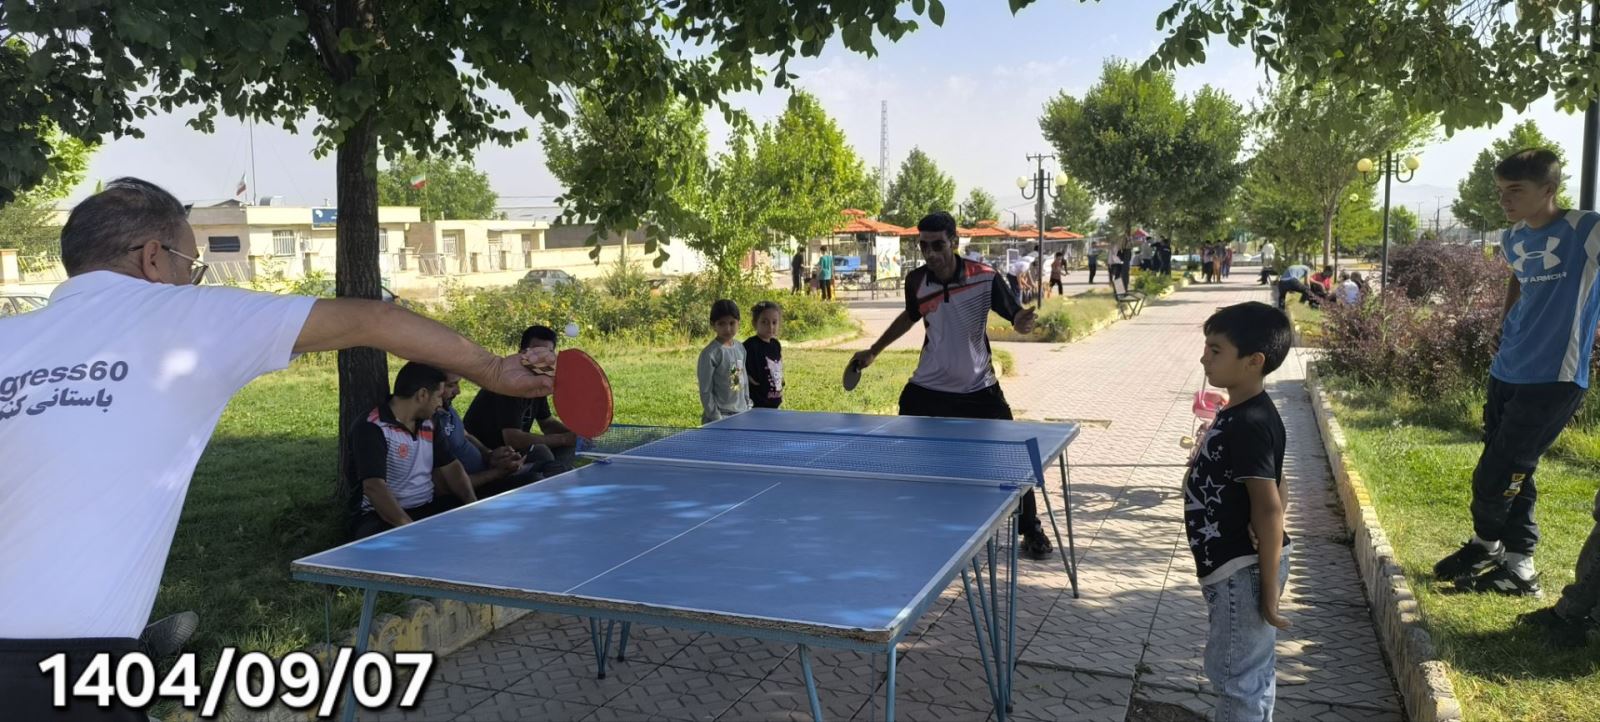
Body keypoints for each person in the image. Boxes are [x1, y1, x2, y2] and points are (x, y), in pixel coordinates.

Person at [0, 177, 554, 721]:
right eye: (191, 265)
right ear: (152, 258)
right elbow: (374, 319)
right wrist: (491, 369)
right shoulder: (184, 316)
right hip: (73, 673)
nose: (192, 281)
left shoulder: (10, 339)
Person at [1434, 150, 1600, 629]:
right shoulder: (1512, 237)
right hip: (1507, 370)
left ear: (1548, 190)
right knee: (1515, 470)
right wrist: (1505, 322)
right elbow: (1518, 276)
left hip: (1555, 377)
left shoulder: (1585, 229)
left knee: (1496, 477)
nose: (1504, 201)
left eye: (1515, 191)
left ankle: (1490, 546)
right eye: (1500, 191)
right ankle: (1515, 564)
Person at [848, 211, 1055, 559]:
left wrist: (1022, 321)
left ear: (954, 242)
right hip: (928, 389)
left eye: (938, 245)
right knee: (915, 459)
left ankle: (1030, 528)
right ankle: (921, 519)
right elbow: (909, 316)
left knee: (1013, 455)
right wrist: (873, 350)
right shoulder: (917, 281)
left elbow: (1015, 313)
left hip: (978, 389)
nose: (930, 253)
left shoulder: (984, 277)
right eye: (924, 246)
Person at [1185, 301, 1294, 722]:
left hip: (1243, 572)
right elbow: (1280, 482)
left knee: (1236, 677)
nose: (1204, 358)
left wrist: (1267, 591)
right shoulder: (1241, 411)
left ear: (1254, 361)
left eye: (1215, 350)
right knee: (1251, 673)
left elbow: (1269, 508)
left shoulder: (1250, 422)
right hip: (1235, 569)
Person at [348, 363, 479, 539]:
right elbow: (374, 487)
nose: (441, 403)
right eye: (438, 396)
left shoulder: (431, 423)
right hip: (379, 516)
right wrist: (411, 530)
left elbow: (451, 466)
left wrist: (472, 504)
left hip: (426, 507)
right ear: (422, 395)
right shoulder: (371, 427)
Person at [463, 325, 578, 475]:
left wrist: (578, 435)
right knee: (541, 452)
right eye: (536, 351)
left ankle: (555, 475)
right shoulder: (510, 384)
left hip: (513, 454)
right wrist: (564, 439)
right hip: (489, 458)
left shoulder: (537, 380)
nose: (542, 357)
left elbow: (547, 423)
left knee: (567, 449)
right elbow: (513, 439)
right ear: (522, 353)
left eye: (548, 352)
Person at [436, 371, 544, 498]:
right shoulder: (432, 424)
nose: (458, 391)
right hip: (477, 486)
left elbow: (466, 435)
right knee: (536, 480)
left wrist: (490, 455)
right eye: (451, 385)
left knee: (541, 452)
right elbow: (450, 485)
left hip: (488, 469)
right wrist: (497, 473)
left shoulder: (447, 408)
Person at [698, 299, 751, 424]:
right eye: (721, 324)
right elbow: (705, 390)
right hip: (720, 417)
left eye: (732, 323)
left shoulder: (740, 348)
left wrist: (747, 404)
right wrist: (716, 417)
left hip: (740, 414)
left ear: (738, 322)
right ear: (713, 325)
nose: (727, 328)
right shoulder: (710, 353)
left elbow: (742, 378)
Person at [744, 301, 785, 409]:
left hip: (774, 402)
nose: (770, 326)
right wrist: (747, 377)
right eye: (764, 322)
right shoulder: (750, 345)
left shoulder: (776, 344)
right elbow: (737, 365)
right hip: (757, 404)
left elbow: (779, 363)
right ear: (755, 323)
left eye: (774, 322)